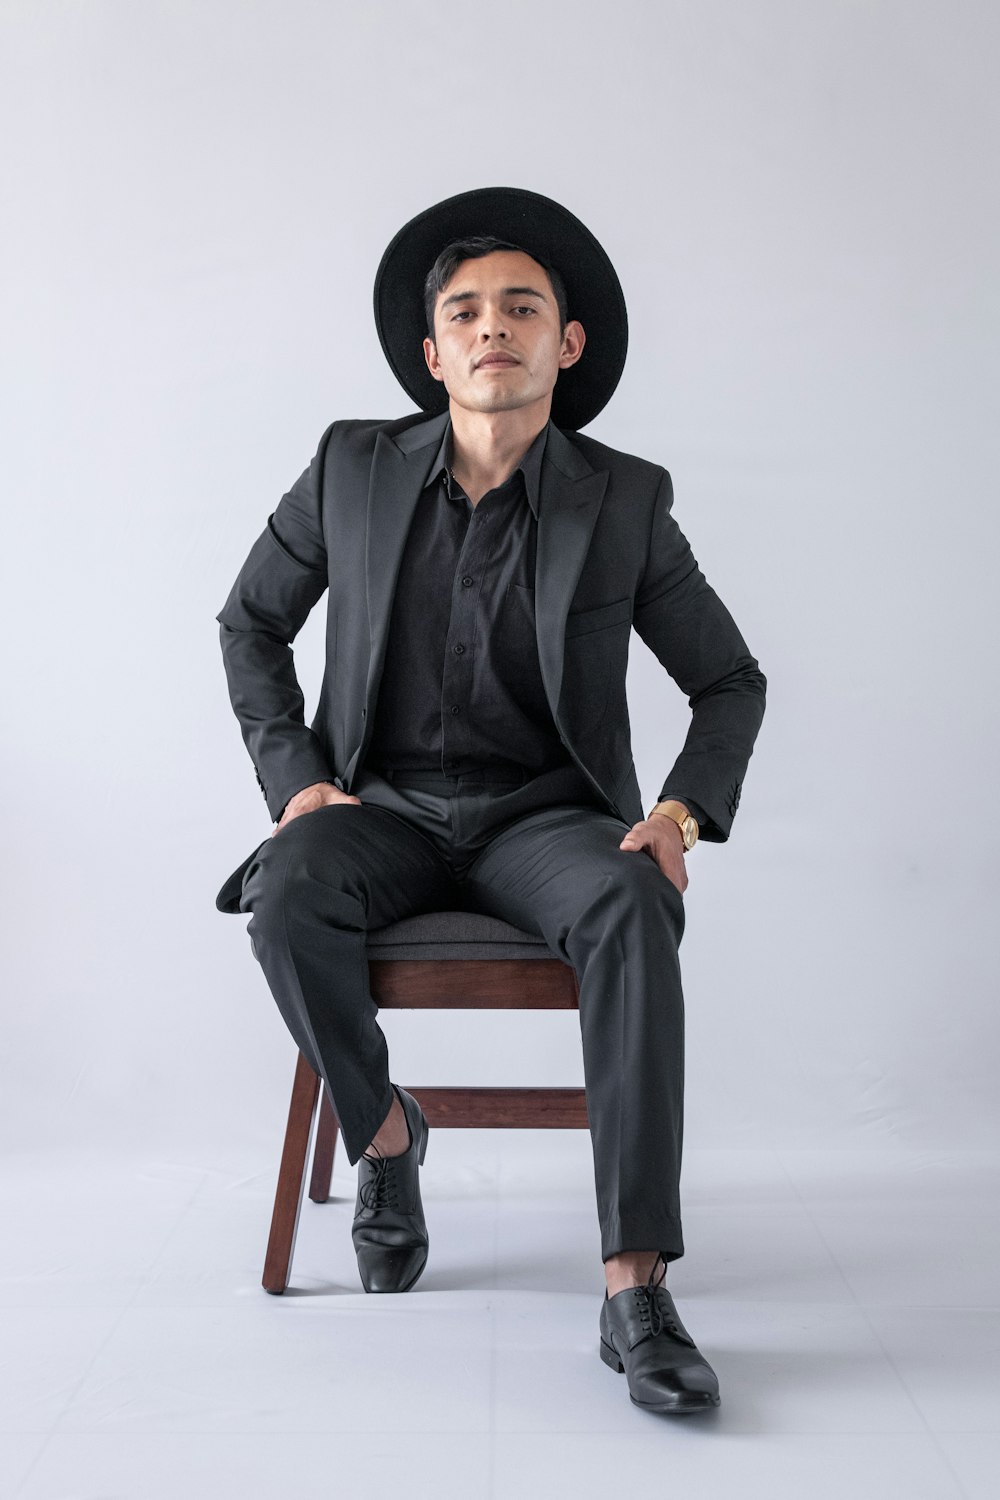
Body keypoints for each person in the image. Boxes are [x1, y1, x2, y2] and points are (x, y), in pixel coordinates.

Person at [214, 185, 766, 1416]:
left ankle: (633, 1287)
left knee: (632, 902)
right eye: (464, 312)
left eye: (522, 307)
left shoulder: (622, 498)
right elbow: (251, 623)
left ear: (566, 344)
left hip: (548, 822)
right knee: (285, 892)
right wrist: (298, 781)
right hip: (385, 813)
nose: (491, 328)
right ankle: (387, 1138)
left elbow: (728, 679)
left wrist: (674, 819)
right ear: (431, 353)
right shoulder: (349, 467)